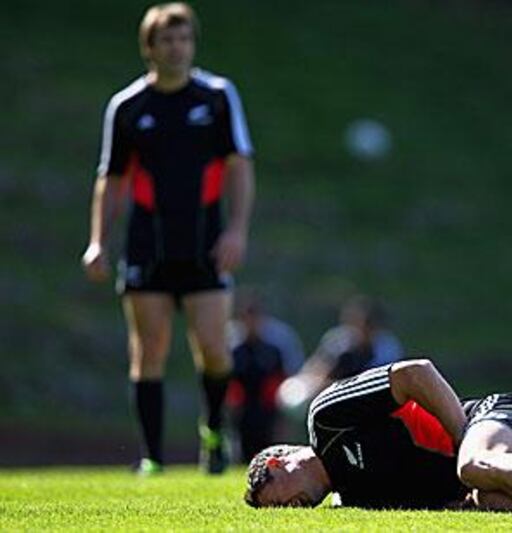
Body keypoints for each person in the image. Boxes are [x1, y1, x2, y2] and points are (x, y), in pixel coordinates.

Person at [81, 2, 255, 475]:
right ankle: (153, 458)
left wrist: (237, 231)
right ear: (149, 48)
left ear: (192, 45)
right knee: (149, 351)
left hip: (206, 245)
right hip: (146, 249)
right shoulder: (128, 107)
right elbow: (111, 178)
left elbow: (239, 166)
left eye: (184, 39)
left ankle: (214, 436)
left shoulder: (218, 96)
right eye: (167, 40)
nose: (177, 48)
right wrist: (99, 240)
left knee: (215, 349)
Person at [244, 359, 512, 516]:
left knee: (472, 463)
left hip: (498, 418)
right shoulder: (358, 499)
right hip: (505, 468)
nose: (287, 510)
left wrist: (464, 439)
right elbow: (447, 502)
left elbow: (417, 373)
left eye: (276, 498)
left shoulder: (327, 419)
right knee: (497, 505)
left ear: (278, 461)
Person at [276, 295, 403, 416]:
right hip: (335, 395)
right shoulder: (339, 341)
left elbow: (384, 384)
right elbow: (316, 370)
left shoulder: (387, 348)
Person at [226, 288, 305, 463]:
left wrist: (285, 414)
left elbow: (291, 381)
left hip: (270, 409)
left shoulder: (278, 343)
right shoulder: (232, 344)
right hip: (243, 411)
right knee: (242, 455)